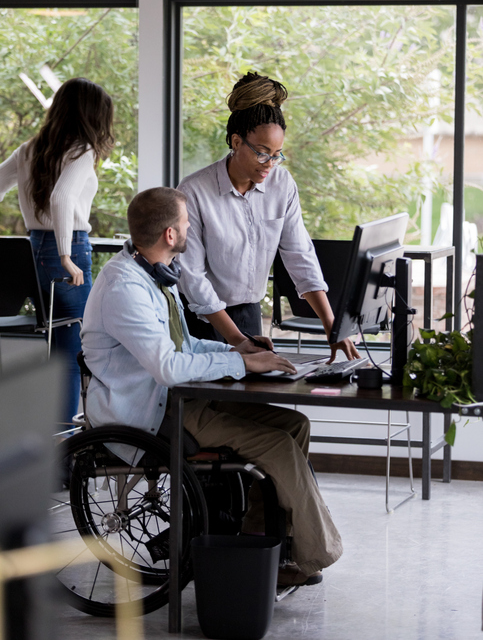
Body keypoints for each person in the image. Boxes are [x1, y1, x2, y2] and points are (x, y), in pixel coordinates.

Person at [81, 187, 343, 586]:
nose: (190, 229)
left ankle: (259, 540)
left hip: (182, 399)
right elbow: (169, 367)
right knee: (279, 446)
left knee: (295, 424)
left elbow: (183, 345)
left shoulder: (154, 274)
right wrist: (239, 362)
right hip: (152, 412)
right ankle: (313, 556)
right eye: (186, 223)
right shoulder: (125, 289)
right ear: (171, 235)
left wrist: (239, 346)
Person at [177, 71, 359, 362]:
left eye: (277, 155)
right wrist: (237, 340)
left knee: (251, 403)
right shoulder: (194, 191)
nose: (270, 164)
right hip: (204, 319)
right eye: (262, 153)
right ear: (236, 142)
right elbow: (193, 278)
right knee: (208, 405)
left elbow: (300, 257)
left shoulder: (281, 185)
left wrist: (332, 327)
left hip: (249, 314)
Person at [0, 77, 114, 424]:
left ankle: (51, 439)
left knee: (56, 350)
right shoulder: (82, 150)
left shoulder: (30, 148)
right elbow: (62, 198)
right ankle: (66, 448)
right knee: (74, 351)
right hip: (68, 254)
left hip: (33, 252)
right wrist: (66, 255)